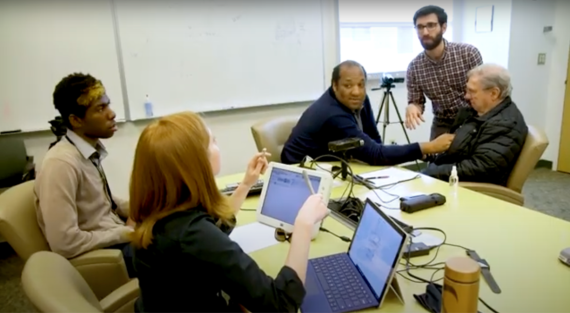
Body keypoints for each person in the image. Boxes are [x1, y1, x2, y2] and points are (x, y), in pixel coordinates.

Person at [129, 111, 329, 313]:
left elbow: (214, 228)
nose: (218, 146)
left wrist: (246, 184)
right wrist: (303, 225)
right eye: (212, 142)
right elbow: (280, 304)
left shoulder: (159, 212)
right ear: (196, 163)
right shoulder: (194, 236)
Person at [34, 73, 136, 277]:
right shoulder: (61, 163)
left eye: (108, 105)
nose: (112, 113)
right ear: (76, 120)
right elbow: (64, 242)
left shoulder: (86, 151)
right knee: (178, 249)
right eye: (100, 108)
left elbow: (100, 200)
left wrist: (143, 207)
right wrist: (127, 233)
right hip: (104, 254)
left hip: (115, 236)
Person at [281, 60, 455, 165]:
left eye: (361, 84)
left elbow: (374, 141)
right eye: (348, 85)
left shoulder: (361, 100)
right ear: (334, 86)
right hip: (300, 170)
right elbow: (374, 154)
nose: (356, 91)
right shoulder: (333, 115)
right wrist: (428, 146)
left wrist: (384, 159)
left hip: (334, 163)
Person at [422, 64, 528, 185]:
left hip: (472, 189)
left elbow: (481, 167)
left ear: (494, 93)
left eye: (472, 91)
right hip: (451, 177)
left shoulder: (505, 124)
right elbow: (459, 151)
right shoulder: (477, 113)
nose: (466, 96)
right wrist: (429, 156)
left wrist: (429, 174)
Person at [406, 5, 484, 140]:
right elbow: (416, 101)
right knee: (436, 159)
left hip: (473, 116)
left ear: (443, 27)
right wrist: (412, 107)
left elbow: (484, 91)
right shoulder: (414, 67)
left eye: (431, 25)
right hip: (442, 121)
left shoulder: (468, 53)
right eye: (420, 27)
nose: (425, 32)